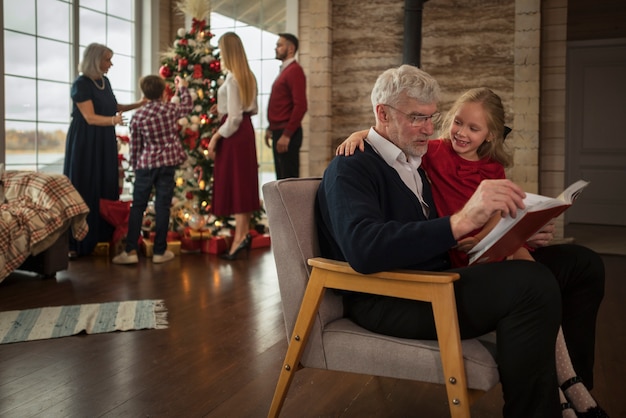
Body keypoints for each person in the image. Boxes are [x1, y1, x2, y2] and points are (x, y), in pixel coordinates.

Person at [316, 65, 605, 417]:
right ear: (383, 114)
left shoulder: (415, 160)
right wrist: (460, 222)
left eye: (432, 117)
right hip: (399, 295)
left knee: (582, 264)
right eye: (417, 117)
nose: (429, 128)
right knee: (530, 284)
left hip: (440, 276)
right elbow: (364, 248)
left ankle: (574, 393)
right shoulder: (352, 167)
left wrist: (517, 232)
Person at [64, 43, 147, 258]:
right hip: (85, 142)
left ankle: (102, 238)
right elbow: (90, 117)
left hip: (104, 140)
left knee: (105, 184)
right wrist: (113, 120)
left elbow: (114, 107)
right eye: (107, 59)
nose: (111, 64)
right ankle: (80, 243)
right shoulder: (81, 84)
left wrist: (139, 103)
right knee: (86, 186)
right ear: (95, 60)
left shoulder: (104, 81)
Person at [112, 75, 192, 265]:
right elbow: (187, 107)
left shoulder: (138, 115)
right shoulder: (170, 109)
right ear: (164, 91)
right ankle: (159, 252)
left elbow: (136, 146)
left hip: (146, 166)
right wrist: (183, 88)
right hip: (167, 164)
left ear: (144, 92)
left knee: (138, 207)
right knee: (162, 207)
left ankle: (130, 251)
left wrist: (134, 165)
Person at [207, 32, 260, 260]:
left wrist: (216, 137)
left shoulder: (232, 78)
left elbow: (235, 117)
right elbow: (251, 110)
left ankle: (239, 238)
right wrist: (221, 109)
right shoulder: (248, 75)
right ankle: (243, 234)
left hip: (234, 134)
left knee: (237, 183)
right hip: (245, 132)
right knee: (243, 182)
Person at [264, 33, 308, 179]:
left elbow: (301, 105)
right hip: (279, 132)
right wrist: (270, 127)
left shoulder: (295, 71)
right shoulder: (285, 71)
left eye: (279, 45)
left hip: (287, 134)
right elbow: (282, 103)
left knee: (287, 183)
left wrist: (287, 135)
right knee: (281, 180)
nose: (276, 48)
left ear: (291, 49)